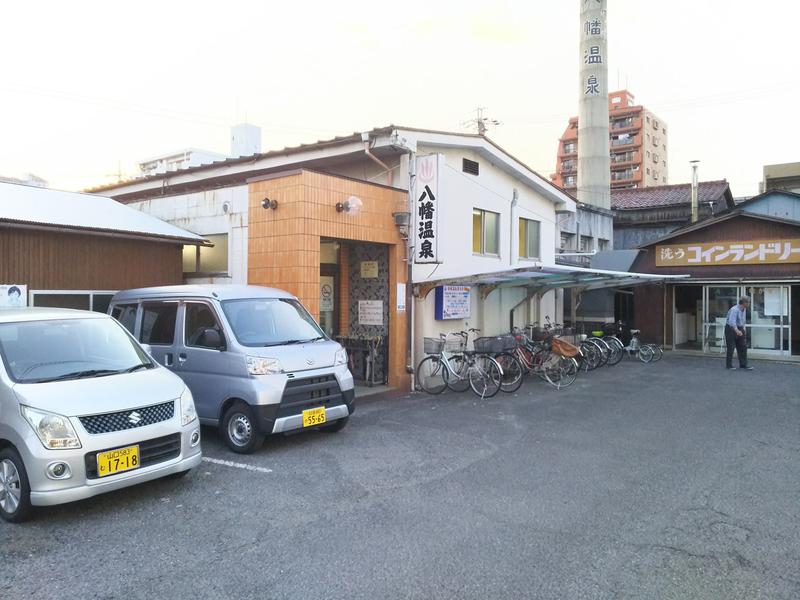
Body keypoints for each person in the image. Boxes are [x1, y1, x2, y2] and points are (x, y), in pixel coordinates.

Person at [725, 297, 753, 370]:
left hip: (739, 328)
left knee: (743, 347)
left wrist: (742, 329)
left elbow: (741, 320)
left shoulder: (744, 310)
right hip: (731, 329)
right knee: (731, 347)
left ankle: (743, 364)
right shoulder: (735, 309)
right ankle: (729, 365)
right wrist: (737, 331)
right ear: (744, 303)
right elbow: (732, 322)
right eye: (748, 302)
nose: (749, 304)